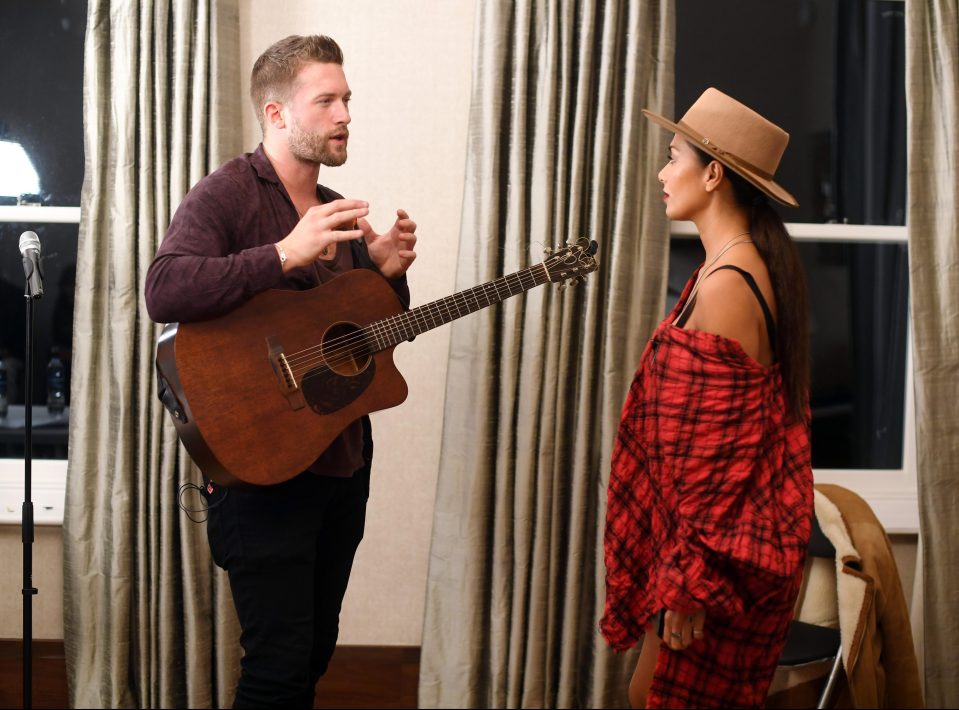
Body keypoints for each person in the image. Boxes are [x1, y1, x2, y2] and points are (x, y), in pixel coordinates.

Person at [144, 35, 417, 708]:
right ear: (275, 114)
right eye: (324, 101)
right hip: (260, 476)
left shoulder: (336, 208)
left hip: (340, 465)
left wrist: (383, 277)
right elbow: (164, 288)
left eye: (346, 100)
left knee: (312, 655)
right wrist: (282, 254)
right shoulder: (228, 195)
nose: (344, 115)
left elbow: (357, 339)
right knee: (275, 669)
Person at [601, 87, 814, 708]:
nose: (664, 174)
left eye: (673, 157)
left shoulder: (730, 285)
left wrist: (688, 583)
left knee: (659, 698)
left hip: (713, 568)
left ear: (714, 173)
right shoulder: (724, 268)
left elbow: (714, 466)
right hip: (699, 557)